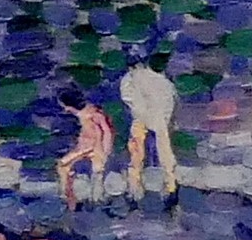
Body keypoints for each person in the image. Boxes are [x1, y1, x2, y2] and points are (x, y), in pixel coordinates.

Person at [116, 60, 185, 202]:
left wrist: (141, 111)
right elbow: (171, 101)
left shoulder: (132, 78)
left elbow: (127, 98)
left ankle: (139, 186)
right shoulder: (162, 81)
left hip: (147, 117)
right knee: (154, 150)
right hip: (153, 118)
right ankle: (166, 185)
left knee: (145, 151)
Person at [51, 97, 115, 209]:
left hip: (94, 147)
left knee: (96, 171)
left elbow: (107, 132)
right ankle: (69, 194)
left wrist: (106, 149)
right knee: (64, 166)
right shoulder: (84, 114)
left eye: (66, 106)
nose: (65, 109)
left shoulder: (94, 115)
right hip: (86, 147)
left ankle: (94, 198)